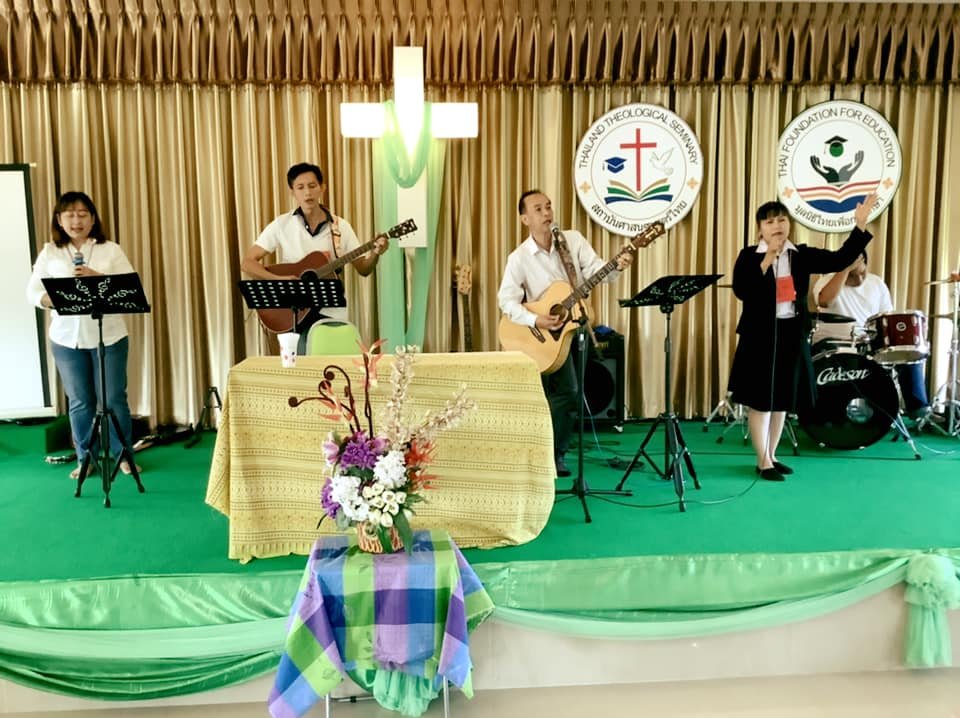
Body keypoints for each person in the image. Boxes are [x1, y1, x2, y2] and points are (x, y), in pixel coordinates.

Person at [727, 194, 878, 482]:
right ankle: (762, 461)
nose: (777, 226)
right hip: (759, 337)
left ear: (790, 225)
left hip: (791, 334)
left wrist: (859, 225)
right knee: (762, 400)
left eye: (781, 220)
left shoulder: (801, 254)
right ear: (760, 229)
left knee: (782, 399)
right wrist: (768, 258)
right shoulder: (749, 256)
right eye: (769, 222)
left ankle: (772, 455)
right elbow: (742, 290)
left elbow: (840, 259)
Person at [497, 190, 633, 477]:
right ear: (524, 219)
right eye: (538, 209)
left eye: (548, 206)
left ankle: (556, 449)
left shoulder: (572, 241)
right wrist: (536, 319)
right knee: (568, 392)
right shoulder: (519, 258)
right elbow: (506, 301)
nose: (547, 212)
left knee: (574, 393)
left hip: (574, 328)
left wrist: (617, 266)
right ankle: (553, 454)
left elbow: (598, 271)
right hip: (541, 336)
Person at [26, 191, 139, 479]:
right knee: (80, 402)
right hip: (66, 339)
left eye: (82, 214)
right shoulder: (50, 252)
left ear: (93, 219)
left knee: (113, 399)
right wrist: (55, 299)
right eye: (70, 215)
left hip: (109, 335)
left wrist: (97, 277)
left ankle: (123, 455)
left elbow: (129, 287)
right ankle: (85, 458)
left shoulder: (110, 249)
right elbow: (33, 291)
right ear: (59, 220)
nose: (76, 221)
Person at [240, 162, 388, 349]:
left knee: (330, 362)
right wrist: (279, 279)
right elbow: (247, 263)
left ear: (322, 188)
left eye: (312, 186)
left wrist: (375, 253)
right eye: (300, 187)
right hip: (294, 312)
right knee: (300, 364)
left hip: (331, 315)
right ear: (292, 192)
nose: (307, 193)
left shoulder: (340, 227)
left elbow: (364, 269)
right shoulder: (282, 224)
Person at [813, 250, 934, 424]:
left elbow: (886, 316)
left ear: (865, 263)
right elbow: (825, 301)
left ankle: (918, 410)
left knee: (908, 352)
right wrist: (844, 269)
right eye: (852, 270)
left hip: (867, 342)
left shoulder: (876, 283)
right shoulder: (826, 281)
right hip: (833, 343)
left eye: (860, 270)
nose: (859, 277)